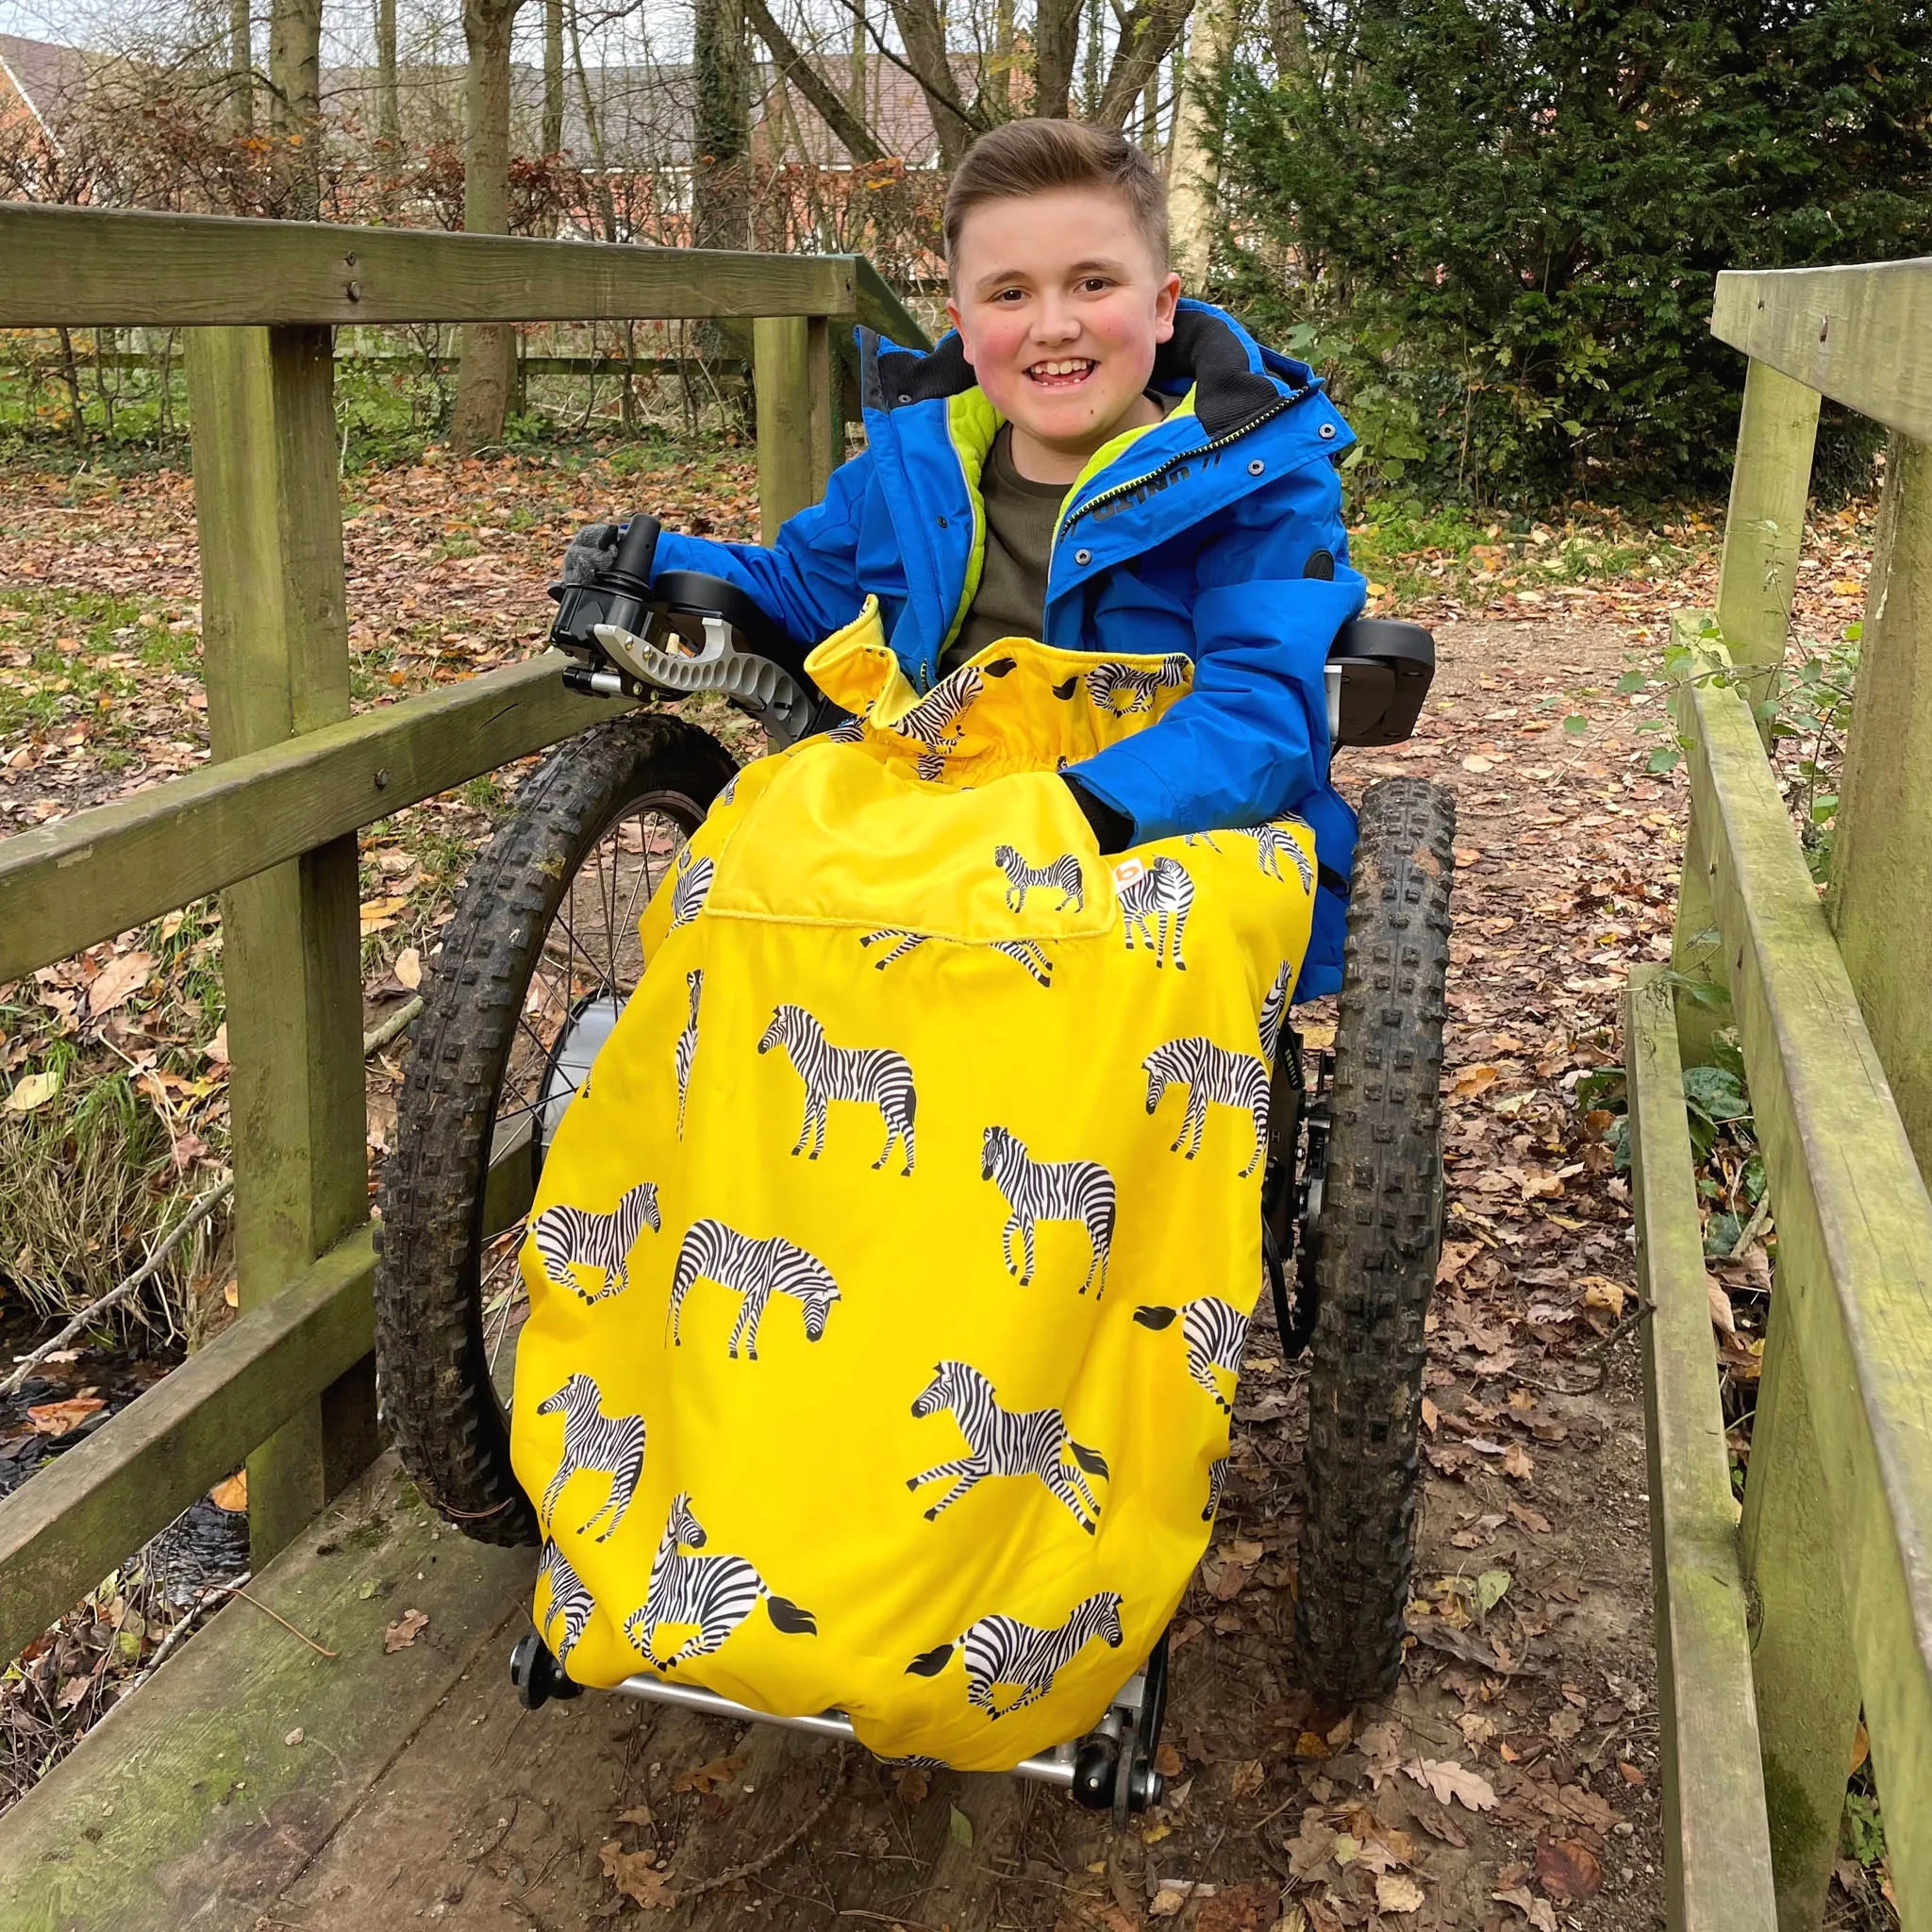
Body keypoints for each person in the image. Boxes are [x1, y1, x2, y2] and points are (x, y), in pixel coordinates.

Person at [572, 115, 1367, 997]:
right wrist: (657, 566)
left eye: (1093, 282)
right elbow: (809, 590)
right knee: (751, 868)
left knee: (1120, 959)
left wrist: (1091, 807)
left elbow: (1261, 709)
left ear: (1163, 305)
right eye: (1011, 294)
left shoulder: (1255, 482)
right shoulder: (914, 469)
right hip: (935, 795)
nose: (1054, 325)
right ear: (961, 321)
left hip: (1158, 812)